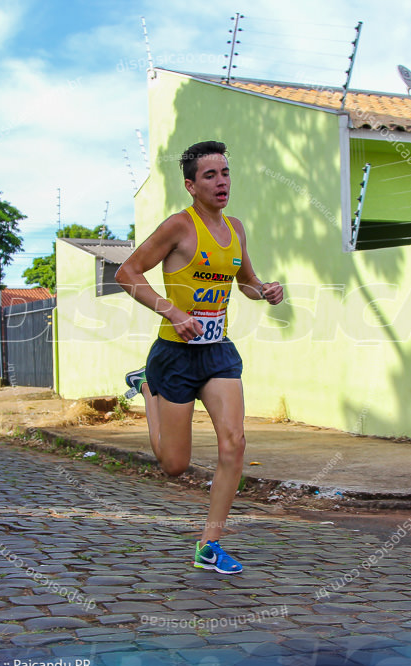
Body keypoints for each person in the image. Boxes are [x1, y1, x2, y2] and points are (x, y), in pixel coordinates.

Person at [115, 141, 283, 574]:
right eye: (210, 175)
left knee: (235, 443)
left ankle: (210, 543)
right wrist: (171, 310)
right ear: (191, 185)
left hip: (217, 353)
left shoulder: (237, 229)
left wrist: (264, 290)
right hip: (174, 354)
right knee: (175, 465)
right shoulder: (179, 226)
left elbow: (245, 281)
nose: (222, 181)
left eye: (225, 172)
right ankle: (147, 385)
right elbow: (126, 273)